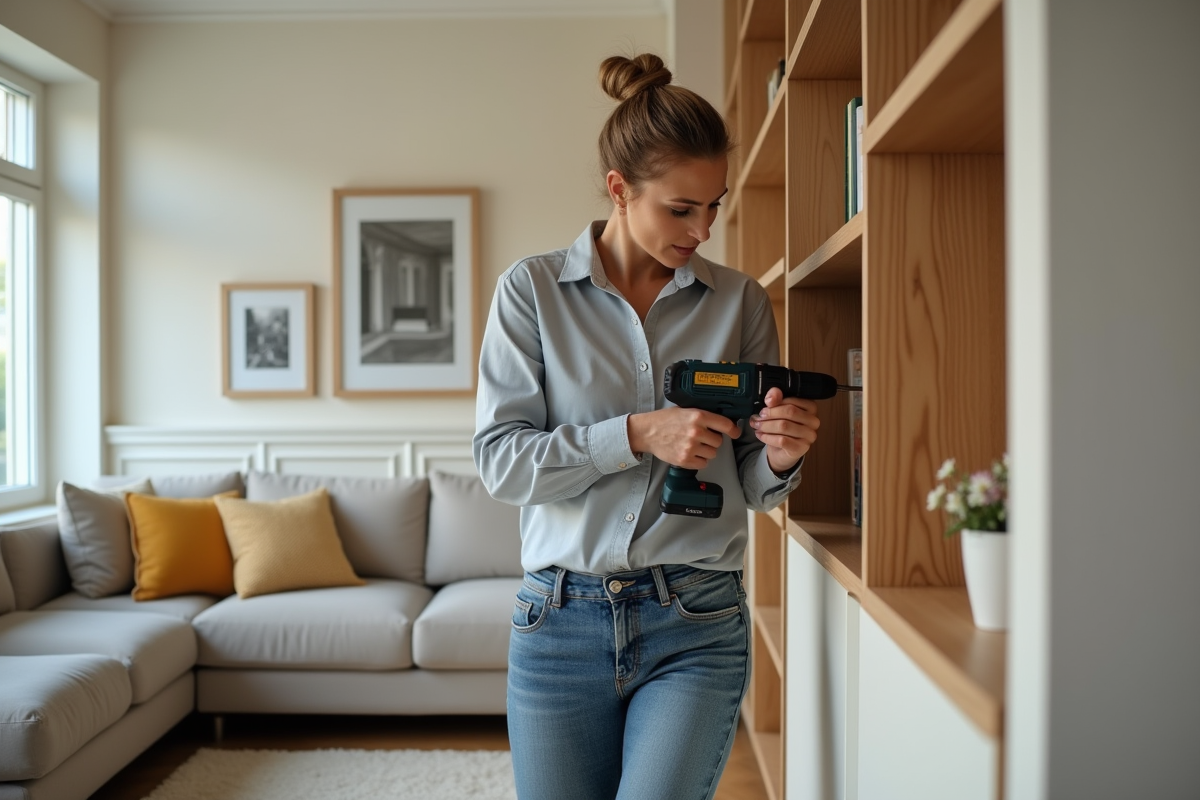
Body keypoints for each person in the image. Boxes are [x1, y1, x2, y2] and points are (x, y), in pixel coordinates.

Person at [473, 53, 820, 800]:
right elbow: (501, 463)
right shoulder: (531, 293)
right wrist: (634, 433)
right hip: (557, 622)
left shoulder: (741, 303)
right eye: (680, 208)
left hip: (696, 618)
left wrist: (783, 457)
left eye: (714, 206)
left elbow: (754, 486)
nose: (702, 229)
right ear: (619, 190)